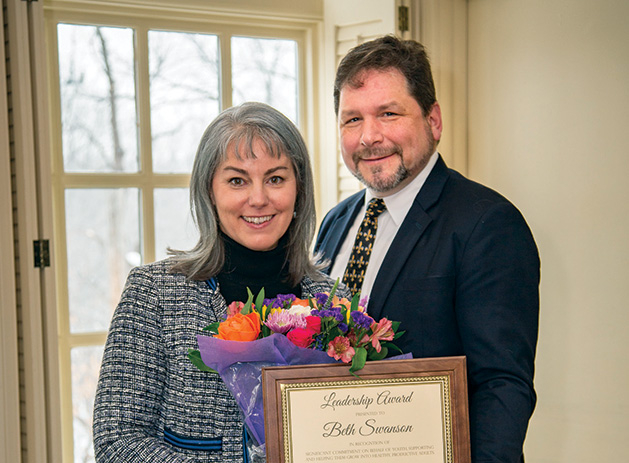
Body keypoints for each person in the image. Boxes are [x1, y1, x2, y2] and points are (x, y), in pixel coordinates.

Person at [315, 35, 540, 463]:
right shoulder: (334, 223)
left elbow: (501, 385)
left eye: (388, 113)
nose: (368, 137)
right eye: (352, 120)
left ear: (433, 120)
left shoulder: (488, 223)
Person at [93, 102, 349, 462]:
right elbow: (117, 442)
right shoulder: (153, 294)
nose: (258, 199)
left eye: (275, 178)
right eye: (237, 180)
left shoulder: (333, 302)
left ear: (299, 189)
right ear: (209, 192)